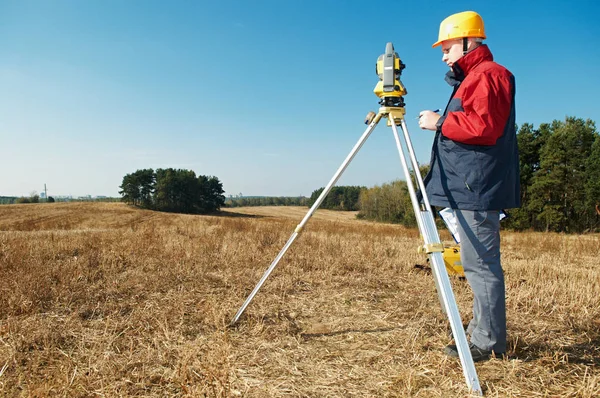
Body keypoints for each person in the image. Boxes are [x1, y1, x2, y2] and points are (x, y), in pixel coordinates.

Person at [418, 10, 520, 362]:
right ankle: (482, 333)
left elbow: (484, 127)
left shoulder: (490, 75)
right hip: (468, 187)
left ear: (468, 41)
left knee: (481, 266)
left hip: (476, 188)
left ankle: (488, 343)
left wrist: (439, 122)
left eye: (446, 47)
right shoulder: (472, 78)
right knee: (475, 264)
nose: (443, 55)